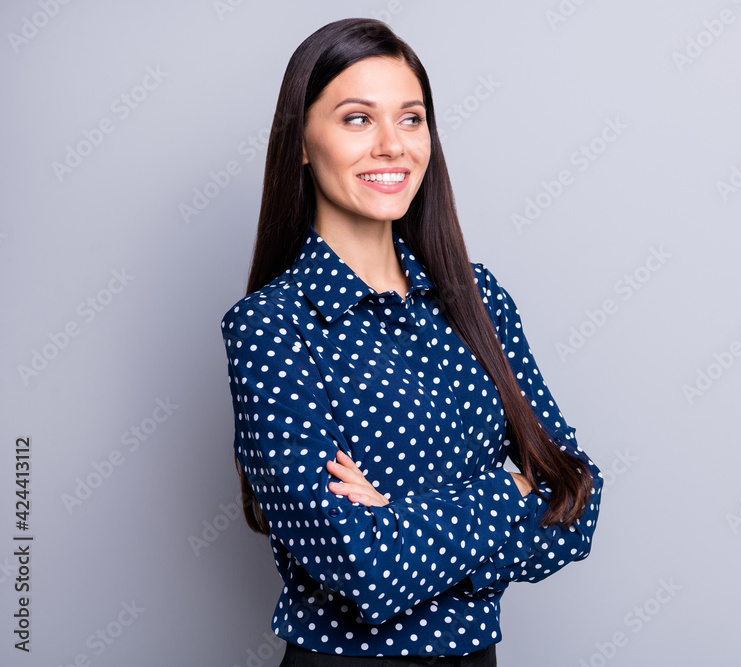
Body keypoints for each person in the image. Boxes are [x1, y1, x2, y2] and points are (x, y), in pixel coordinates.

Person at [219, 18, 603, 666]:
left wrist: (398, 516)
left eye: (412, 118)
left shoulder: (477, 299)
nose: (392, 145)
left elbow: (574, 499)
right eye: (357, 119)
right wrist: (507, 491)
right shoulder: (270, 326)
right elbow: (363, 565)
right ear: (303, 143)